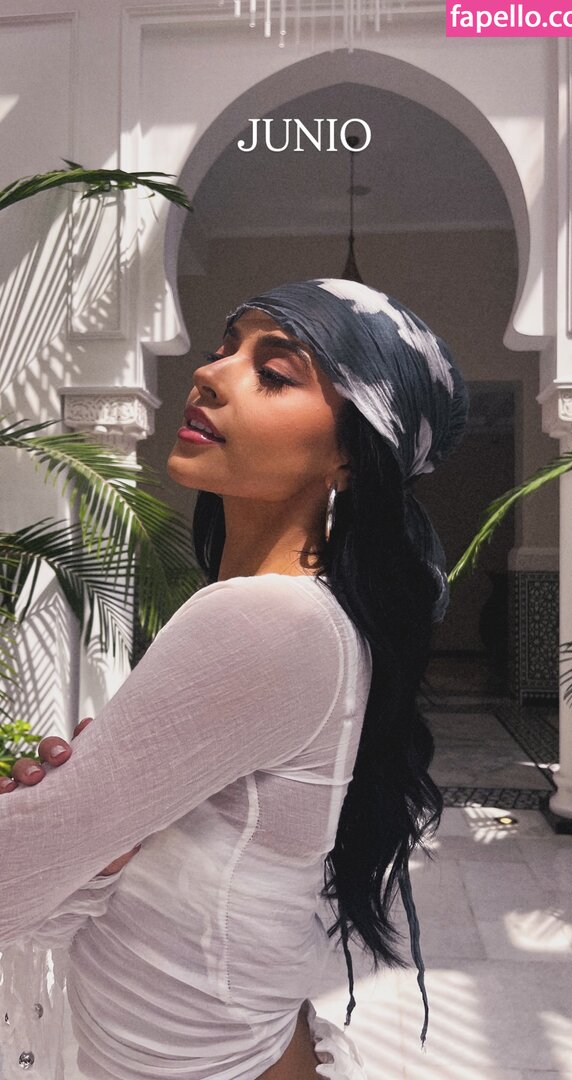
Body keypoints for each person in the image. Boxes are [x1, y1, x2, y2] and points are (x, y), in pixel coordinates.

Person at [0, 278, 469, 1080]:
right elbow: (65, 875)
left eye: (274, 372)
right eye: (225, 348)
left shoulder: (271, 619)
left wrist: (64, 832)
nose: (210, 374)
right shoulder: (298, 610)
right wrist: (94, 845)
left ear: (350, 455)